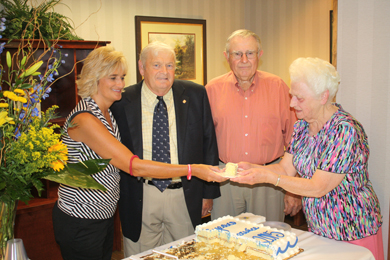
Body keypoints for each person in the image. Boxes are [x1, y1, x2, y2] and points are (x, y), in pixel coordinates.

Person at [52, 46, 226, 260]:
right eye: (113, 78)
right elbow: (133, 165)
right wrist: (193, 169)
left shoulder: (107, 111)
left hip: (104, 214)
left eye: (122, 77)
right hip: (82, 216)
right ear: (94, 78)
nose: (120, 84)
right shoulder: (86, 119)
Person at [231, 57, 384, 260]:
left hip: (353, 230)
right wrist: (254, 168)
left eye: (299, 98)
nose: (292, 104)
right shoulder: (302, 126)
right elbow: (285, 169)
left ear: (323, 97)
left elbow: (318, 187)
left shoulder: (344, 130)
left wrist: (268, 178)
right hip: (320, 229)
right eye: (292, 96)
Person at [110, 41, 221, 257]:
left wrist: (208, 193)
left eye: (169, 66)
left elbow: (209, 143)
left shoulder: (196, 94)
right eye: (157, 65)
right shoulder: (122, 100)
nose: (164, 72)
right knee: (141, 255)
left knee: (185, 253)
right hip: (141, 194)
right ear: (142, 68)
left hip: (184, 193)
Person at [206, 29, 300, 222]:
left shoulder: (279, 87)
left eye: (250, 53)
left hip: (269, 181)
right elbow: (203, 143)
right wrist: (205, 192)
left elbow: (296, 141)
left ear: (259, 55)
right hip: (226, 181)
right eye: (237, 54)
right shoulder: (211, 90)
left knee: (267, 241)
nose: (244, 60)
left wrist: (294, 189)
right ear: (227, 57)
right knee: (225, 242)